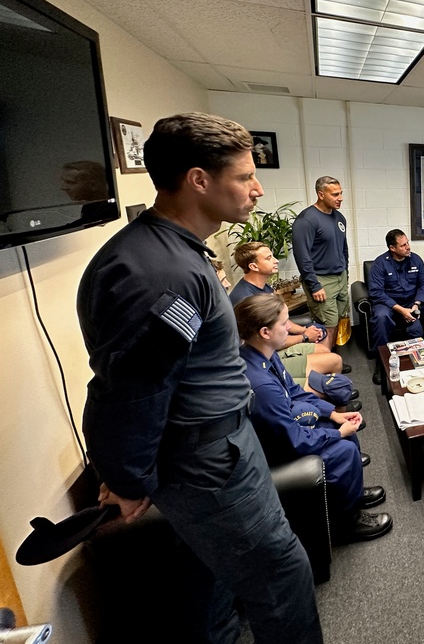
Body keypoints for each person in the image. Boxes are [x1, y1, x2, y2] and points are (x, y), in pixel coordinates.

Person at [77, 112, 323, 644]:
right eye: (244, 176)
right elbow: (132, 390)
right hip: (208, 462)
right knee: (282, 573)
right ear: (199, 180)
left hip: (217, 445)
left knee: (213, 576)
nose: (258, 189)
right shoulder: (163, 273)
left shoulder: (174, 252)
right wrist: (126, 478)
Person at [234, 294, 393, 542]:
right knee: (343, 449)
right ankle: (346, 521)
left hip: (287, 426)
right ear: (265, 332)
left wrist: (333, 414)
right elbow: (292, 441)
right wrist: (337, 433)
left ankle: (351, 492)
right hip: (277, 450)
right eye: (284, 323)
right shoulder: (260, 384)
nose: (289, 328)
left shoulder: (267, 355)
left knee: (341, 426)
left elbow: (296, 392)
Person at [229, 241, 353, 379]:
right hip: (266, 357)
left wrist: (304, 330)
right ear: (253, 266)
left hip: (273, 346)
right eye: (268, 258)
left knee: (322, 342)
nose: (276, 261)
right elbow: (268, 340)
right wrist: (305, 337)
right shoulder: (246, 299)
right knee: (334, 360)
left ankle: (325, 382)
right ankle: (322, 384)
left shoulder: (265, 288)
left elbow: (282, 321)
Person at [368, 229, 424, 384]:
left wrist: (416, 304)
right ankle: (382, 361)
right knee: (380, 317)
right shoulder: (380, 263)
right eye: (403, 245)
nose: (408, 247)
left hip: (413, 301)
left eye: (408, 243)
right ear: (392, 248)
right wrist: (400, 309)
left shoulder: (415, 259)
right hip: (389, 303)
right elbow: (376, 292)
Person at [292, 176, 351, 346]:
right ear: (321, 194)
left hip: (340, 276)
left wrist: (345, 271)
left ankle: (330, 359)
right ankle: (325, 367)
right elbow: (302, 255)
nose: (340, 198)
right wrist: (314, 285)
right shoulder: (307, 220)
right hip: (321, 279)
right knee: (328, 324)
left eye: (340, 193)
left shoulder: (339, 217)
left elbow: (343, 247)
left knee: (337, 319)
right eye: (334, 194)